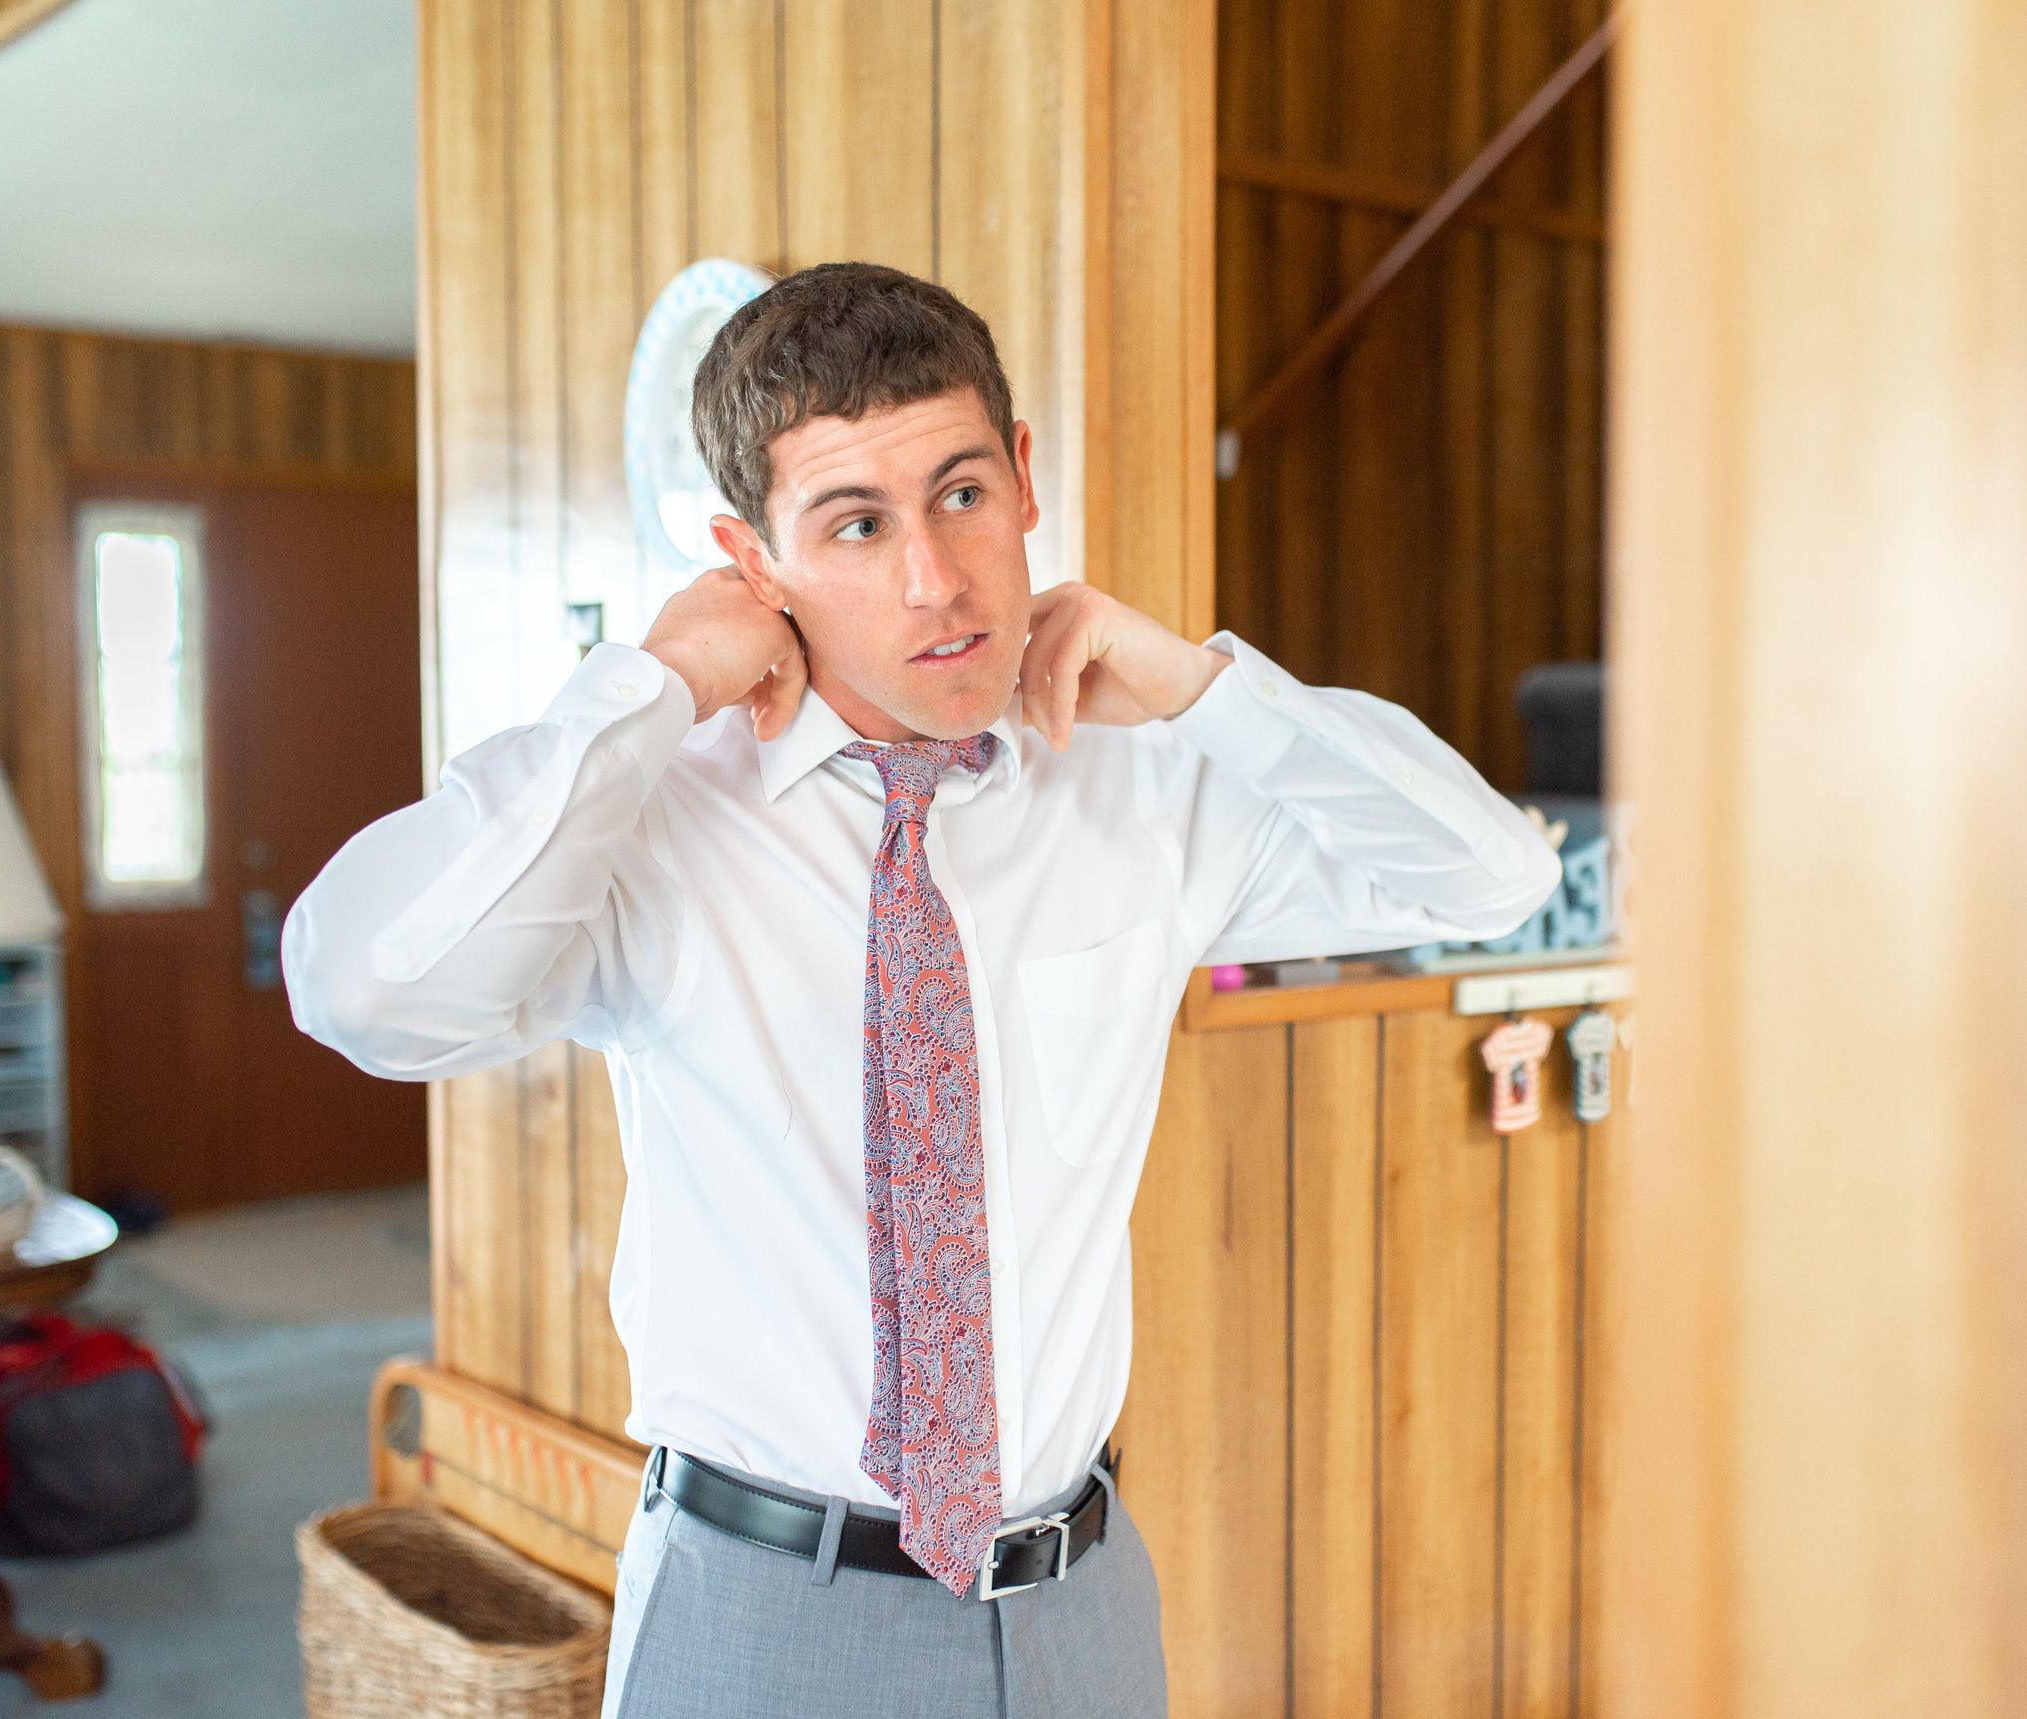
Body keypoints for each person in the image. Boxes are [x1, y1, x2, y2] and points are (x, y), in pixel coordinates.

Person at [283, 261, 1559, 1719]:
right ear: (752, 561)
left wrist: (1209, 689)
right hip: (759, 1616)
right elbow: (364, 987)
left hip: (1080, 1611)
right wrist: (647, 691)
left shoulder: (1143, 790)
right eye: (855, 523)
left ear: (1023, 482)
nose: (933, 582)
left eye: (960, 495)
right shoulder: (651, 820)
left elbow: (1491, 881)